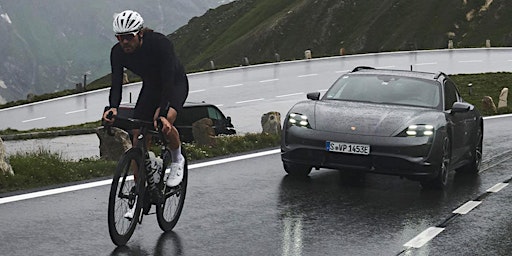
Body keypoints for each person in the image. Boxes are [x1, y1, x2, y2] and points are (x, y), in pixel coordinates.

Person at [103, 10, 189, 193]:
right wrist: (113, 107)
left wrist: (163, 111)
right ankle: (140, 188)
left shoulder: (160, 43)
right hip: (151, 86)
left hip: (174, 83)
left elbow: (168, 79)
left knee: (165, 124)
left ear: (140, 33)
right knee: (137, 134)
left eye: (129, 37)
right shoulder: (117, 53)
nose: (124, 42)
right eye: (120, 38)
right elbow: (116, 82)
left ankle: (176, 158)